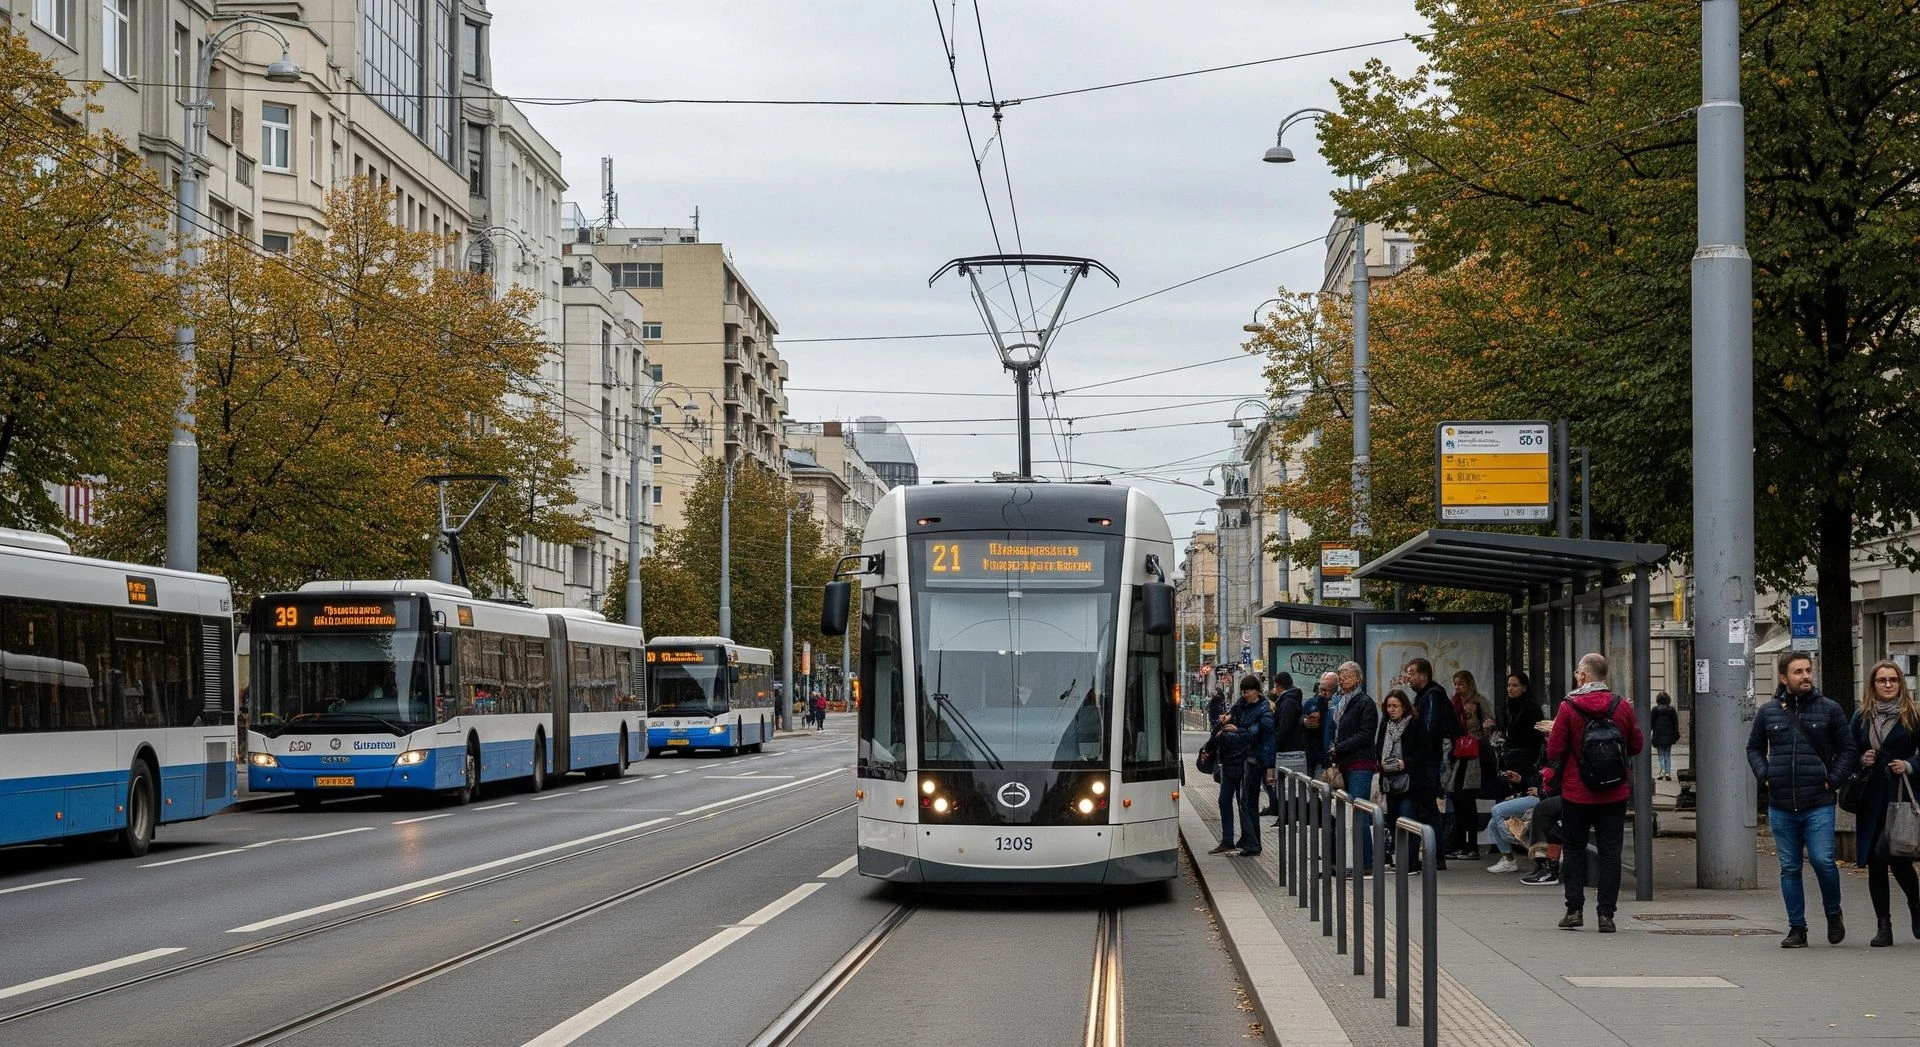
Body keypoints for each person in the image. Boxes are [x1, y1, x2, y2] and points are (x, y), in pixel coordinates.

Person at [1747, 650, 1856, 948]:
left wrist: (1832, 780)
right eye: (1798, 671)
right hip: (1781, 804)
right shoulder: (1769, 712)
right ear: (1784, 677)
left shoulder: (1830, 709)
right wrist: (1765, 775)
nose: (1806, 676)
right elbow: (1753, 748)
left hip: (1817, 802)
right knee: (1790, 868)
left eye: (1808, 670)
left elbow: (1848, 750)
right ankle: (1797, 928)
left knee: (1822, 861)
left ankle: (1833, 913)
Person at [1546, 652, 1644, 933]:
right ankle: (1606, 915)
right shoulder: (1621, 705)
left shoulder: (1569, 706)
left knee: (1574, 849)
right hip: (1614, 792)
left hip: (1577, 792)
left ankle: (1574, 909)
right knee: (1611, 851)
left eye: (1578, 671)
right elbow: (1635, 744)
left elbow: (1554, 750)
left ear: (1584, 675)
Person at [1854, 661, 1920, 947]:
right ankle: (1884, 926)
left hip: (1901, 795)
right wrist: (1862, 759)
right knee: (1875, 861)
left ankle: (1916, 909)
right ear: (1873, 685)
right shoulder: (1861, 717)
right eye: (1882, 680)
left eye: (1893, 680)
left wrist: (1909, 764)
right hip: (1871, 797)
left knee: (1897, 857)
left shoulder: (1913, 716)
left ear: (1901, 684)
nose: (1888, 685)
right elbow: (1850, 751)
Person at [1400, 658, 1459, 870]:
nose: (1408, 677)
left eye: (1411, 673)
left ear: (1423, 675)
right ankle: (1433, 854)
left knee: (1427, 808)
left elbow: (1429, 727)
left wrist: (1417, 750)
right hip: (1427, 760)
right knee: (1427, 808)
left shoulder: (1432, 695)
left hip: (1428, 761)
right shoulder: (1425, 695)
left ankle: (1435, 854)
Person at [1208, 675, 1273, 857]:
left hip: (1249, 761)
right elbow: (1233, 716)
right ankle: (1229, 840)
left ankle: (1252, 842)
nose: (1245, 695)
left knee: (1246, 804)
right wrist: (1227, 718)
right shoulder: (1240, 704)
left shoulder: (1263, 710)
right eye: (1243, 691)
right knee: (1225, 800)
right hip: (1231, 760)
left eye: (1248, 691)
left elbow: (1263, 737)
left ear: (1257, 691)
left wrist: (1269, 767)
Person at [1329, 661, 1380, 871]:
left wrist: (1340, 748)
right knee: (1346, 813)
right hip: (1346, 763)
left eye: (1346, 675)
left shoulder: (1364, 702)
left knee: (1359, 812)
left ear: (1358, 678)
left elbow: (1365, 733)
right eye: (1340, 675)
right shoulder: (1343, 702)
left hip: (1360, 763)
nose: (1342, 679)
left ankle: (1366, 862)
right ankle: (1348, 859)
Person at [1378, 691, 1432, 872]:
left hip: (1411, 781)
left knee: (1407, 817)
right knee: (1394, 819)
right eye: (1389, 706)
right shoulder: (1385, 725)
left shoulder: (1415, 724)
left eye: (1396, 706)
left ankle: (1411, 863)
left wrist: (1405, 763)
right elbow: (1379, 751)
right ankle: (1401, 860)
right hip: (1390, 781)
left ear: (1404, 706)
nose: (1392, 710)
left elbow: (1424, 751)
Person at [1446, 670, 1496, 860]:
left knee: (1467, 799)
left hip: (1473, 753)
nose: (1458, 688)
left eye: (1461, 684)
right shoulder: (1454, 703)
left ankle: (1472, 846)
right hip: (1458, 753)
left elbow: (1490, 722)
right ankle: (1460, 844)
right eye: (1455, 684)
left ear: (1469, 684)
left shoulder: (1478, 701)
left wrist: (1484, 731)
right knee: (1457, 798)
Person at [1263, 674, 1305, 816]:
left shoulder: (1288, 702)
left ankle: (1286, 815)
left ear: (1277, 684)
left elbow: (1284, 728)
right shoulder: (1289, 699)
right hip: (1288, 749)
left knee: (1286, 786)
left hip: (1287, 750)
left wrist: (1274, 743)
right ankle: (1283, 813)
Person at [1499, 672, 1545, 772]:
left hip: (1526, 759)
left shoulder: (1532, 708)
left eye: (1515, 685)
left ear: (1524, 688)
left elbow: (1536, 736)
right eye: (1508, 685)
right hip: (1509, 757)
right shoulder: (1507, 707)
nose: (1510, 689)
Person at [1650, 692, 1680, 780]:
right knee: (1667, 754)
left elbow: (1651, 723)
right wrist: (1675, 733)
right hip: (1669, 736)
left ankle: (1662, 770)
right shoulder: (1672, 710)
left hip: (1658, 735)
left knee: (1661, 754)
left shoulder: (1655, 710)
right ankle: (1667, 773)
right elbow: (1675, 723)